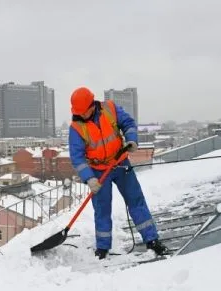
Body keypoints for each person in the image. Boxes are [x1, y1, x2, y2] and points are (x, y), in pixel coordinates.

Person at [68, 87, 168, 259]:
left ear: (92, 105)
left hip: (120, 163)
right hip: (98, 172)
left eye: (84, 112)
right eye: (79, 113)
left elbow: (128, 123)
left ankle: (152, 240)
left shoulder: (110, 109)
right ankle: (102, 248)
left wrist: (131, 140)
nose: (82, 115)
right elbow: (77, 157)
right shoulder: (76, 127)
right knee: (102, 209)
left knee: (136, 200)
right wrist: (89, 178)